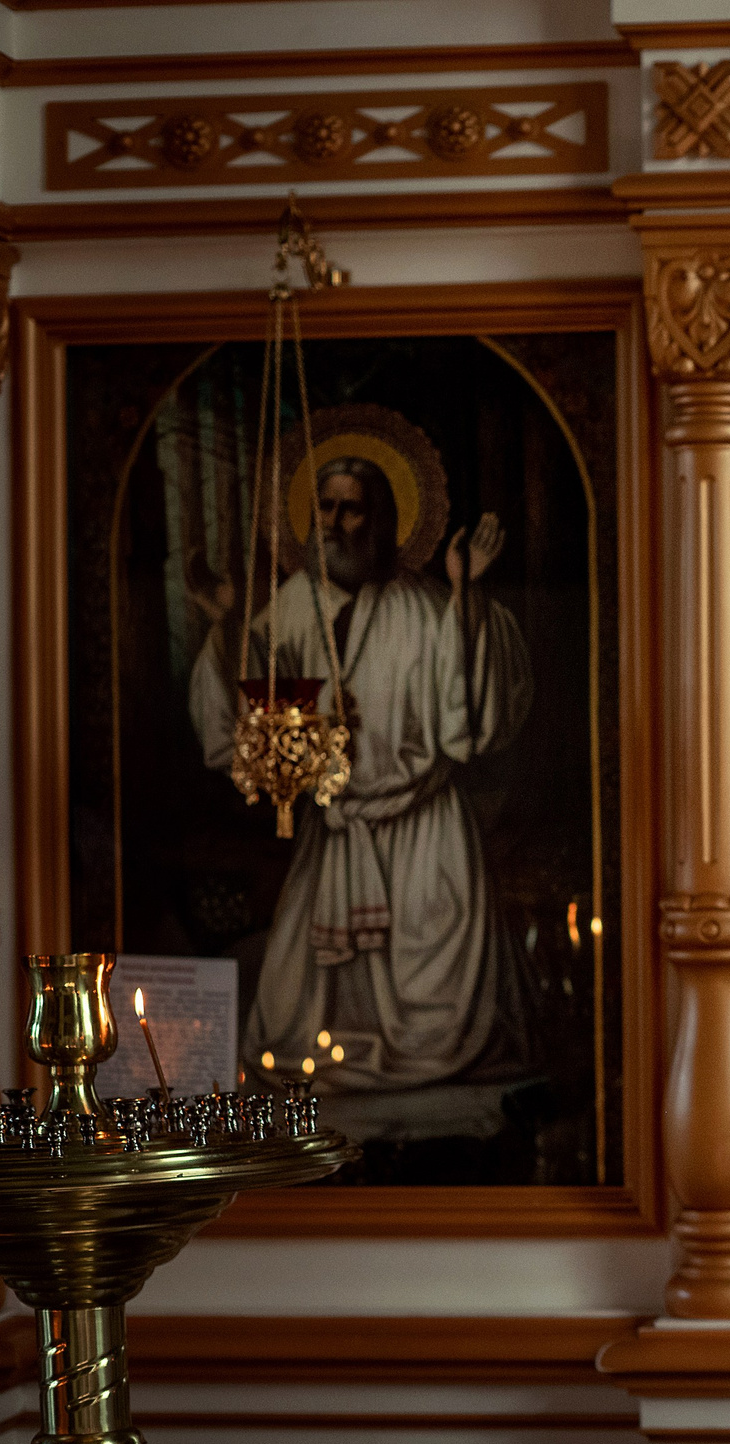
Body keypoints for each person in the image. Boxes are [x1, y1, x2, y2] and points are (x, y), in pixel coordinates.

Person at [190, 455, 534, 1093]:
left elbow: (472, 725)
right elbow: (245, 721)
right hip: (337, 831)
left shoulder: (429, 605)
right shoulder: (294, 605)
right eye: (325, 507)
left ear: (385, 519)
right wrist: (226, 626)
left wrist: (467, 594)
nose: (335, 524)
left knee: (436, 1005)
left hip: (423, 827)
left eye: (352, 509)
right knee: (289, 1024)